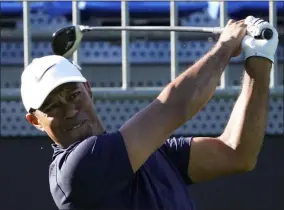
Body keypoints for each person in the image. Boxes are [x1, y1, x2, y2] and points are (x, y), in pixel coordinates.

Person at [21, 16, 278, 210]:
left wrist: (259, 58)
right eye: (52, 106)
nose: (70, 110)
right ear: (35, 121)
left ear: (88, 89)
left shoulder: (153, 153)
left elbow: (237, 153)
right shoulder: (74, 172)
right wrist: (225, 46)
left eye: (74, 94)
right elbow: (176, 106)